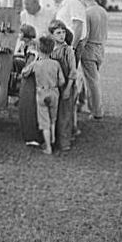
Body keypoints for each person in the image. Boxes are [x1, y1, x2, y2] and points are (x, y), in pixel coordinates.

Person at [22, 36, 65, 154]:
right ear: (52, 50)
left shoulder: (37, 64)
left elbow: (24, 73)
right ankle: (53, 141)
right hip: (54, 92)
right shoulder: (56, 64)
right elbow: (62, 81)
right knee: (52, 120)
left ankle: (48, 148)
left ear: (39, 50)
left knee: (44, 122)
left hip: (41, 93)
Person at [78, 0, 108, 120]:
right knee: (89, 79)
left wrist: (78, 50)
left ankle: (96, 112)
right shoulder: (102, 11)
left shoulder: (87, 12)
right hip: (100, 48)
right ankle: (80, 103)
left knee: (92, 82)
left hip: (89, 49)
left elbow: (85, 35)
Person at [49, 20, 77, 151]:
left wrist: (68, 88)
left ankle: (65, 142)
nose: (61, 35)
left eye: (63, 32)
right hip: (53, 85)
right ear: (52, 35)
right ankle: (51, 140)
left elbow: (73, 72)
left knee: (65, 114)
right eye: (58, 33)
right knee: (52, 113)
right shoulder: (50, 50)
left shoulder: (68, 51)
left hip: (67, 85)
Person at [16, 24, 44, 146]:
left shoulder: (32, 46)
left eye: (21, 32)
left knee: (28, 108)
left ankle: (31, 135)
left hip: (32, 78)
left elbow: (31, 63)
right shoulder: (29, 44)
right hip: (34, 74)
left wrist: (23, 72)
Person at [50, 0, 87, 66]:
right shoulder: (61, 6)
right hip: (61, 44)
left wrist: (72, 48)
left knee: (68, 73)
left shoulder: (72, 3)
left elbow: (78, 25)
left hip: (71, 44)